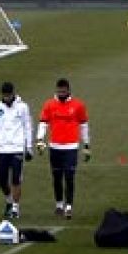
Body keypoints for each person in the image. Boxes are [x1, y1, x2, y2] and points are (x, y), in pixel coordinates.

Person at [36, 78, 91, 219]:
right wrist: (40, 139)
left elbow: (84, 125)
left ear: (68, 90)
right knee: (56, 177)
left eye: (63, 91)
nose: (61, 93)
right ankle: (59, 204)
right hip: (55, 147)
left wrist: (86, 145)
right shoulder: (49, 104)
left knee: (69, 177)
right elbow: (43, 122)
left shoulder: (78, 105)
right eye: (59, 91)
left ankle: (69, 206)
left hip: (71, 147)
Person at [0, 82, 34, 220]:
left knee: (16, 178)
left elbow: (28, 127)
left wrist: (29, 148)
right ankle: (9, 200)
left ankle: (15, 207)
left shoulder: (22, 107)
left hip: (17, 147)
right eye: (5, 95)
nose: (7, 98)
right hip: (2, 149)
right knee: (1, 178)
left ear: (13, 93)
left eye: (9, 95)